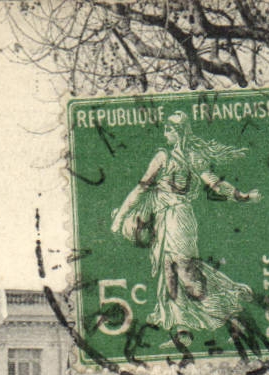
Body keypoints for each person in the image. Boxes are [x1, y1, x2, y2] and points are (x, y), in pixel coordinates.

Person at [110, 110, 260, 337]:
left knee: (186, 274)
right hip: (165, 220)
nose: (165, 134)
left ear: (178, 132)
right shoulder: (168, 157)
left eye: (168, 129)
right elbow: (141, 188)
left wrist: (242, 196)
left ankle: (231, 311)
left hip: (179, 220)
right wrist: (120, 217)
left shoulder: (183, 157)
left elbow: (215, 184)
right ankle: (182, 329)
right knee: (169, 273)